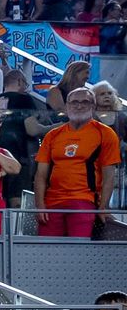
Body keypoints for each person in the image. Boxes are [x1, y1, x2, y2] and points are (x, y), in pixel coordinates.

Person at [35, 84, 120, 238]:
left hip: (84, 201)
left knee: (79, 252)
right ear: (67, 106)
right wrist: (40, 205)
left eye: (85, 102)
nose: (79, 106)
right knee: (46, 254)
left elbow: (109, 175)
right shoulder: (53, 135)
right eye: (74, 102)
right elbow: (40, 175)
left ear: (93, 106)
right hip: (51, 203)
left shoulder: (106, 134)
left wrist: (103, 207)